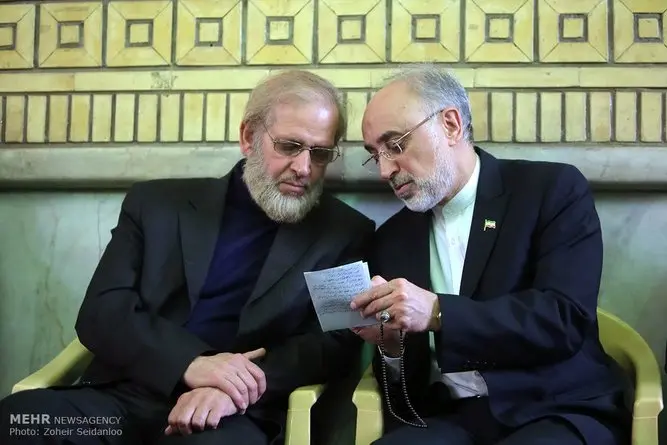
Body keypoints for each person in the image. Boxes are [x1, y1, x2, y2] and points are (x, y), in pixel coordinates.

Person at [0, 70, 375, 445]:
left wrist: (235, 387)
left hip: (231, 415)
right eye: (290, 146)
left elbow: (335, 341)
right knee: (18, 422)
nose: (304, 168)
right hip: (123, 401)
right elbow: (103, 311)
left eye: (320, 153)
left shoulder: (343, 232)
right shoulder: (157, 205)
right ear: (248, 137)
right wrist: (189, 363)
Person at [350, 64, 631, 445]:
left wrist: (438, 312)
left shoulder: (551, 190)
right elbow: (404, 395)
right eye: (375, 155)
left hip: (555, 407)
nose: (385, 170)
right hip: (452, 418)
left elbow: (562, 319)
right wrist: (390, 346)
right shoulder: (392, 238)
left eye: (396, 145)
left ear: (451, 125)